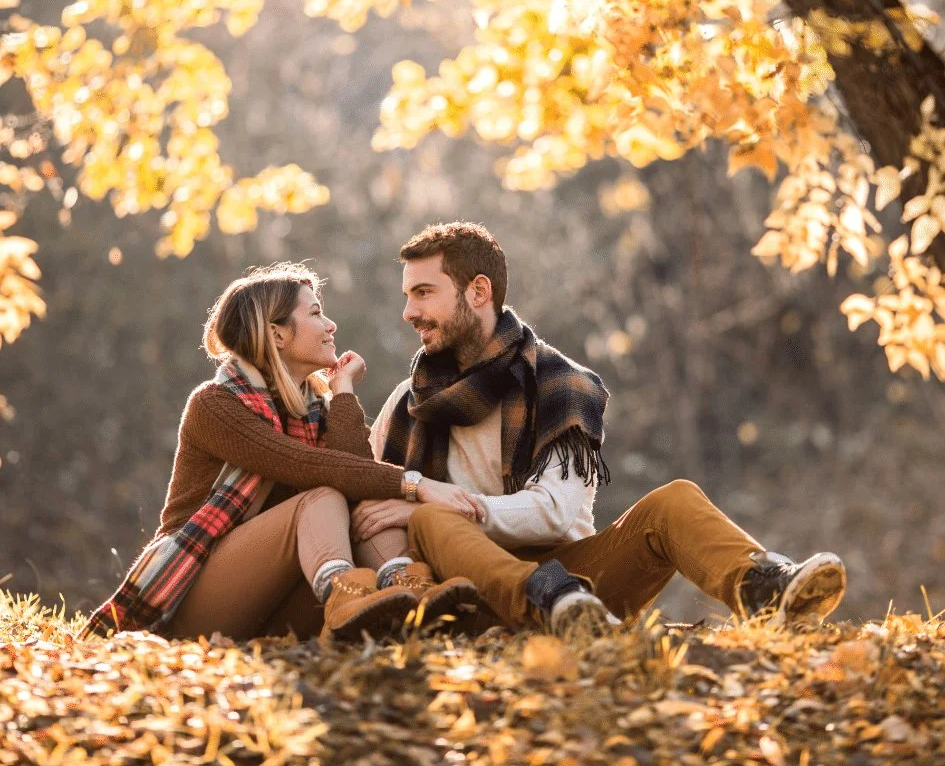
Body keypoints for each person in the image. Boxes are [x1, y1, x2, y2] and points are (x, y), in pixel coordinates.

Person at [361, 223, 847, 634]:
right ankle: (540, 601)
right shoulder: (407, 404)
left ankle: (767, 591)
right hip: (464, 593)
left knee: (673, 501)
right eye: (407, 295)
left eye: (424, 292)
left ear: (479, 291)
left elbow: (555, 513)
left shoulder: (560, 386)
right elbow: (364, 491)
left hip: (580, 589)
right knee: (428, 520)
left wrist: (431, 498)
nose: (409, 312)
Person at [82, 263, 479, 643]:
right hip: (192, 597)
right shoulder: (216, 404)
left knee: (368, 506)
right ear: (277, 335)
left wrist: (341, 391)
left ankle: (410, 588)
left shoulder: (314, 408)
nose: (331, 325)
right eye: (316, 313)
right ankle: (346, 591)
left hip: (270, 604)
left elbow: (359, 475)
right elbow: (304, 465)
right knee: (322, 496)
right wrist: (416, 484)